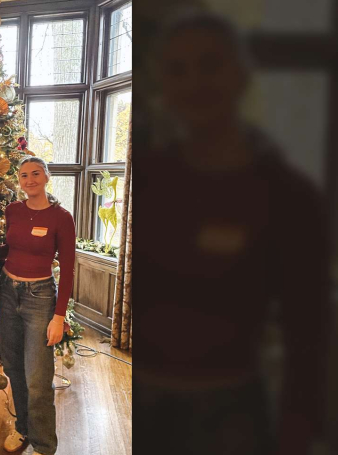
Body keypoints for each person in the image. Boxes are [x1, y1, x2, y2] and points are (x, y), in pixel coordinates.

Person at [135, 10, 327, 454]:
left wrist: (296, 432)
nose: (195, 82)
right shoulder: (150, 178)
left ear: (241, 73)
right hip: (143, 409)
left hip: (230, 415)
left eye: (210, 64)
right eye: (178, 69)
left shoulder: (289, 195)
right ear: (164, 82)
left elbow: (308, 330)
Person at [0, 156, 76, 455]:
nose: (29, 180)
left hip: (40, 297)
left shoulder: (61, 217)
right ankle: (22, 429)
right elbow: (10, 248)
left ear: (46, 177)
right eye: (23, 175)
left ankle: (44, 444)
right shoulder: (13, 210)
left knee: (38, 377)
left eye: (35, 174)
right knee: (14, 367)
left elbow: (67, 269)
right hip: (7, 292)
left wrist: (58, 316)